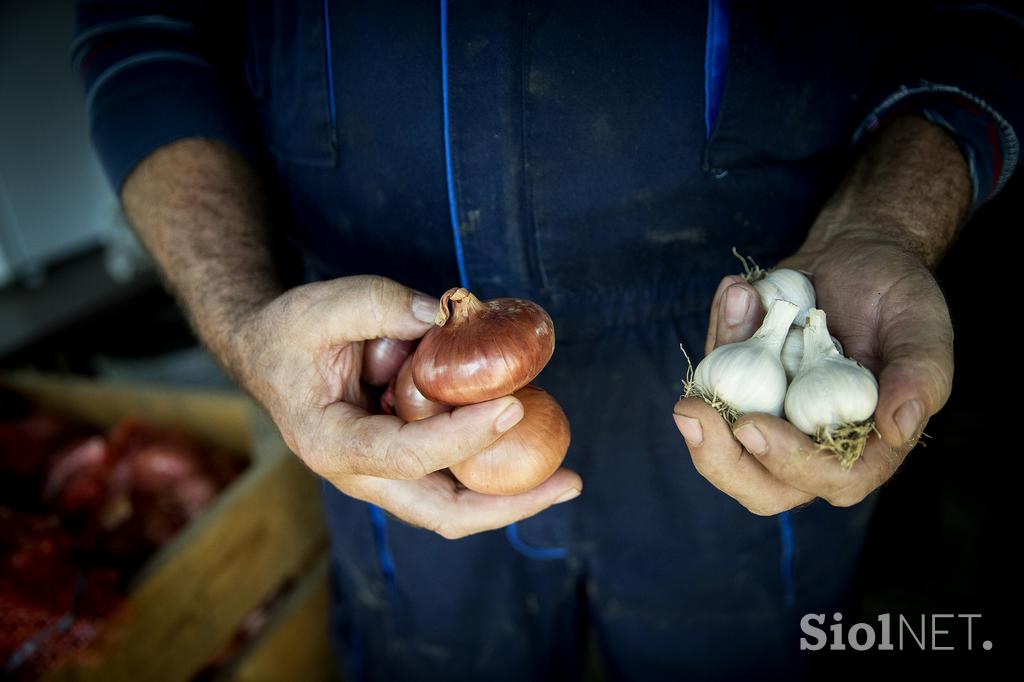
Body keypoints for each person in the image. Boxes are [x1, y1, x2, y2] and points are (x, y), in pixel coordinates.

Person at [73, 1, 1019, 678]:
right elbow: (144, 30)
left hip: (728, 349)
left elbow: (978, 13)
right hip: (376, 382)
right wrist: (242, 317)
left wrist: (883, 224)